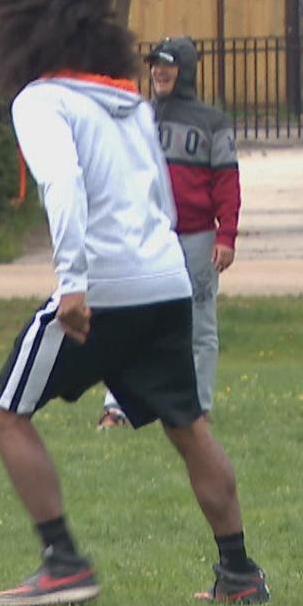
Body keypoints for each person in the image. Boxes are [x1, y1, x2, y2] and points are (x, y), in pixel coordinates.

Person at [0, 0, 269, 606]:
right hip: (165, 279)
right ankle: (240, 573)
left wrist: (72, 283)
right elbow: (161, 198)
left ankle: (63, 561)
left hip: (102, 287)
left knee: (3, 413)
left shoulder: (41, 100)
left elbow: (63, 184)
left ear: (21, 34)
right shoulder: (129, 103)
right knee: (189, 427)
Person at [98, 35, 239, 428]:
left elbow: (227, 182)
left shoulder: (214, 122)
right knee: (131, 320)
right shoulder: (138, 116)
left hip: (197, 238)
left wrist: (226, 235)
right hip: (146, 236)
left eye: (167, 64)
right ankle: (118, 407)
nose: (159, 71)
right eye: (155, 64)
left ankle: (197, 410)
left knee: (200, 325)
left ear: (186, 69)